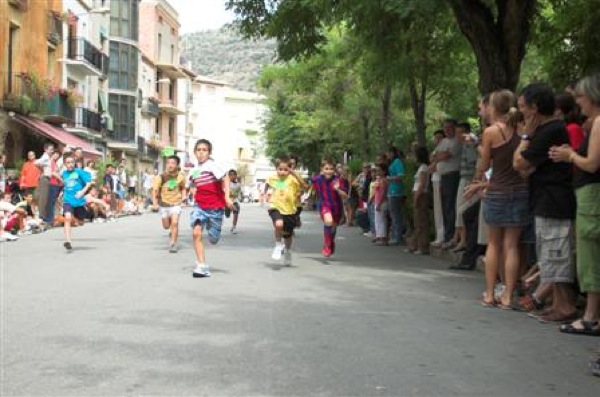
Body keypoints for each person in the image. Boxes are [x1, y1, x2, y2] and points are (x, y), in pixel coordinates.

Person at [514, 83, 577, 322]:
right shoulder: (548, 130)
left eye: (523, 107)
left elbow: (520, 164)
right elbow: (524, 169)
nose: (522, 114)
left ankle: (566, 305)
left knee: (557, 253)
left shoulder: (549, 130)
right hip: (544, 199)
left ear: (535, 107)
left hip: (554, 201)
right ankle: (559, 303)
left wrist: (526, 136)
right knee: (550, 255)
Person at [549, 73, 600, 335]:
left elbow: (592, 163)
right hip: (587, 195)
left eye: (580, 96)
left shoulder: (599, 122)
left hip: (592, 197)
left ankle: (591, 316)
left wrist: (569, 155)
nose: (578, 102)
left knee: (590, 257)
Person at [476, 89, 528, 309]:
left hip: (497, 190)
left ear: (494, 108)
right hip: (520, 190)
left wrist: (479, 171)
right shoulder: (522, 129)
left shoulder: (491, 132)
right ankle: (508, 294)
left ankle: (489, 293)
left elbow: (485, 165)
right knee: (512, 245)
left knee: (494, 243)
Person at [187, 139, 234, 278]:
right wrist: (189, 192)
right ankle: (201, 266)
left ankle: (215, 220)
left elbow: (225, 178)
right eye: (199, 150)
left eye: (204, 150)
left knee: (213, 239)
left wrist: (227, 197)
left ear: (209, 152)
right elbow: (191, 184)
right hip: (200, 205)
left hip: (215, 207)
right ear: (195, 152)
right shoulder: (194, 170)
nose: (201, 153)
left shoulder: (212, 165)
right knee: (196, 233)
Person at [266, 157, 308, 264]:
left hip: (290, 210)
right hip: (275, 206)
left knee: (288, 235)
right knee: (279, 224)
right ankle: (278, 245)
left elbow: (304, 186)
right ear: (276, 168)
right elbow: (269, 185)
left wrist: (293, 174)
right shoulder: (273, 178)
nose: (283, 172)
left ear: (290, 169)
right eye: (280, 169)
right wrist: (265, 193)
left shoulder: (292, 179)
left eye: (285, 170)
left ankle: (288, 251)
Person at [433, 119, 462, 248]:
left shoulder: (457, 141)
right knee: (444, 207)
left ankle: (451, 236)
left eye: (449, 128)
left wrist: (440, 155)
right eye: (445, 128)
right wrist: (439, 155)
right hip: (442, 177)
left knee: (450, 206)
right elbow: (433, 156)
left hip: (452, 175)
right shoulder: (444, 141)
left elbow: (446, 155)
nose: (447, 130)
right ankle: (445, 235)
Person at [312, 158, 348, 257]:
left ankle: (331, 242)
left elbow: (345, 195)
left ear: (334, 170)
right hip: (325, 205)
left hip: (337, 207)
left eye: (331, 169)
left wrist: (338, 190)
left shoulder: (338, 180)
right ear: (322, 169)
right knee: (328, 221)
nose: (329, 171)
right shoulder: (318, 179)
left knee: (333, 229)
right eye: (326, 169)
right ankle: (327, 245)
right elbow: (308, 184)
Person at [452, 122, 478, 252]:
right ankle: (460, 239)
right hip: (464, 178)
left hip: (469, 179)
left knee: (462, 209)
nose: (457, 135)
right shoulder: (465, 144)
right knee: (459, 209)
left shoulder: (469, 143)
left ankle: (464, 240)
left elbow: (474, 161)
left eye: (459, 132)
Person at [153, 155, 187, 253]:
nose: (170, 165)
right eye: (168, 163)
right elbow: (155, 191)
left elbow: (183, 187)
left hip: (176, 203)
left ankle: (173, 243)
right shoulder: (161, 176)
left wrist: (184, 196)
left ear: (177, 165)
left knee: (175, 223)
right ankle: (171, 231)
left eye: (173, 163)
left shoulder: (181, 176)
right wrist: (155, 204)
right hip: (164, 205)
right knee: (166, 226)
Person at [58, 156, 92, 250]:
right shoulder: (64, 174)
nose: (70, 164)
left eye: (72, 162)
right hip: (68, 200)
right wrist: (61, 193)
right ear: (65, 164)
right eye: (68, 163)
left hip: (79, 202)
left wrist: (82, 192)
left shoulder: (79, 172)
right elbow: (64, 185)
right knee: (67, 218)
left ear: (74, 163)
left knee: (81, 223)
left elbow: (89, 182)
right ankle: (68, 241)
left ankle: (81, 216)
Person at [406, 147, 430, 255]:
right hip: (417, 194)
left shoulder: (424, 168)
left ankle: (422, 246)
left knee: (421, 221)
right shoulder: (421, 167)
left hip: (421, 195)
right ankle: (416, 245)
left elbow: (422, 184)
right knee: (417, 221)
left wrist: (416, 198)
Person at [386, 146, 406, 245]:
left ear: (393, 153)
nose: (387, 155)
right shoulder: (392, 163)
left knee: (396, 214)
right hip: (391, 190)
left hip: (396, 191)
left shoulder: (397, 162)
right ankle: (395, 235)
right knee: (393, 214)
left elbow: (401, 175)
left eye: (389, 153)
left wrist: (390, 178)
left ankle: (398, 237)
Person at [429, 130, 446, 247]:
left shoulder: (445, 147)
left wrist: (436, 160)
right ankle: (438, 235)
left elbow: (435, 162)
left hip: (440, 179)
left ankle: (442, 236)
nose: (437, 140)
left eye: (439, 138)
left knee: (441, 209)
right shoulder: (436, 150)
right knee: (437, 210)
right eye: (436, 138)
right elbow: (431, 162)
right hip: (435, 179)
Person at [372, 166, 389, 246]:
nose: (377, 172)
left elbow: (384, 193)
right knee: (378, 220)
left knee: (381, 220)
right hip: (377, 201)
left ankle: (383, 238)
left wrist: (379, 203)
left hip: (381, 202)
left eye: (379, 170)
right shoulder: (379, 180)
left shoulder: (383, 181)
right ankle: (379, 236)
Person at [225, 169, 242, 234]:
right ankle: (227, 213)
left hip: (235, 201)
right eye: (230, 175)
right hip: (227, 202)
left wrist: (239, 198)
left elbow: (239, 192)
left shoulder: (238, 184)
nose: (232, 176)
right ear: (229, 176)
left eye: (234, 175)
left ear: (236, 176)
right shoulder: (227, 183)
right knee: (227, 215)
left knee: (236, 213)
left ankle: (234, 227)